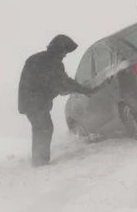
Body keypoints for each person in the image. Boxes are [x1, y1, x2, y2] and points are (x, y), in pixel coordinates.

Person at [18, 34, 95, 166]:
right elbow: (63, 83)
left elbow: (57, 83)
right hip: (36, 102)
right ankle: (40, 162)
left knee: (41, 127)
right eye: (65, 52)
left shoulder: (38, 59)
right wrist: (85, 90)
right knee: (44, 128)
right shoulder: (51, 63)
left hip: (29, 102)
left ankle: (39, 160)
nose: (65, 55)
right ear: (60, 49)